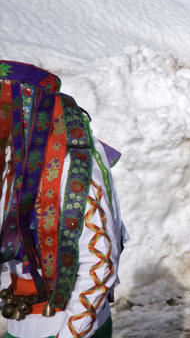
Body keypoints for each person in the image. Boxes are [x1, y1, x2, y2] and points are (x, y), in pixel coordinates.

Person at [0, 61, 127, 337]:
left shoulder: (73, 170)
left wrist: (73, 332)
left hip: (66, 327)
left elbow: (98, 262)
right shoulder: (11, 166)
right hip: (18, 325)